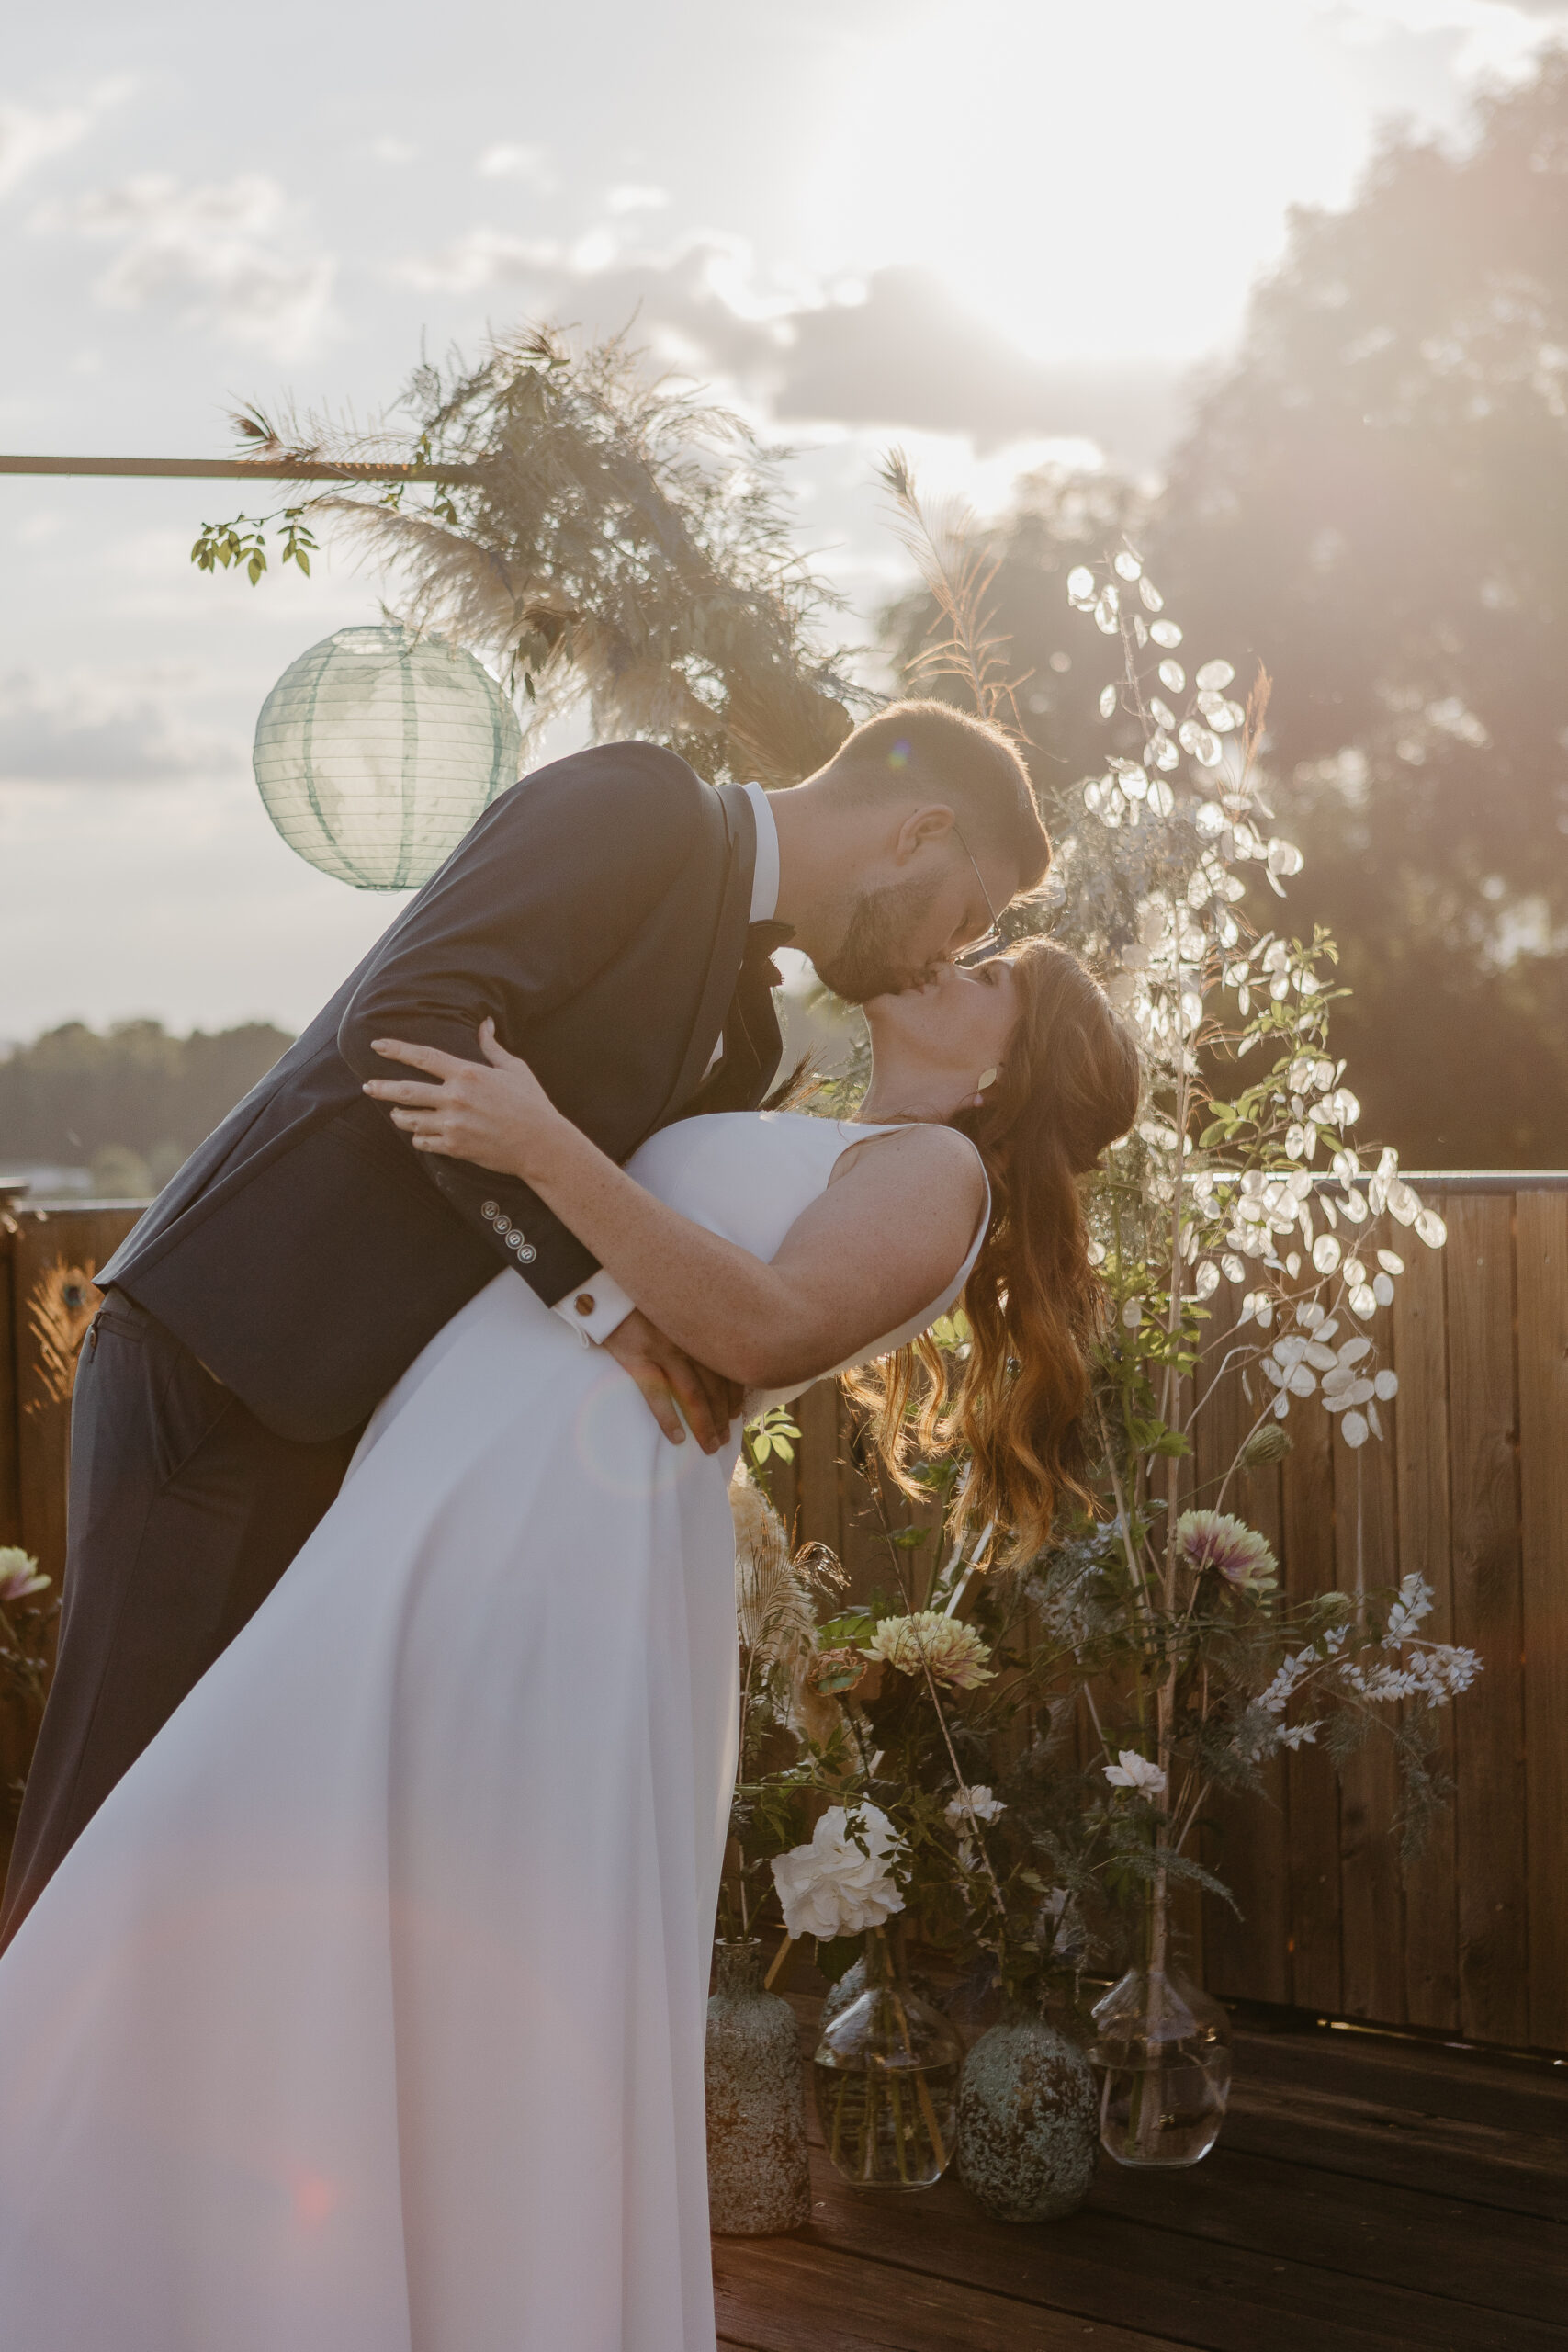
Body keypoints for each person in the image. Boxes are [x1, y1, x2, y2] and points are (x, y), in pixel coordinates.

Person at [0, 933, 1138, 2352]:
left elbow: (761, 1325)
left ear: (999, 1073)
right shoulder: (843, 1138)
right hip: (466, 1484)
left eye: (986, 976)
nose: (945, 959)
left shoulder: (942, 1172)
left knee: (290, 1826)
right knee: (300, 1841)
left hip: (545, 1536)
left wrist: (537, 1142)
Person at [1, 699, 1048, 1945]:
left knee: (239, 1854)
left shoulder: (749, 1023)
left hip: (369, 1436)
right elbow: (406, 1021)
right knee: (113, 1827)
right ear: (916, 833)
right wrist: (598, 1299)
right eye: (967, 918)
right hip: (235, 1357)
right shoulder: (636, 802)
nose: (945, 953)